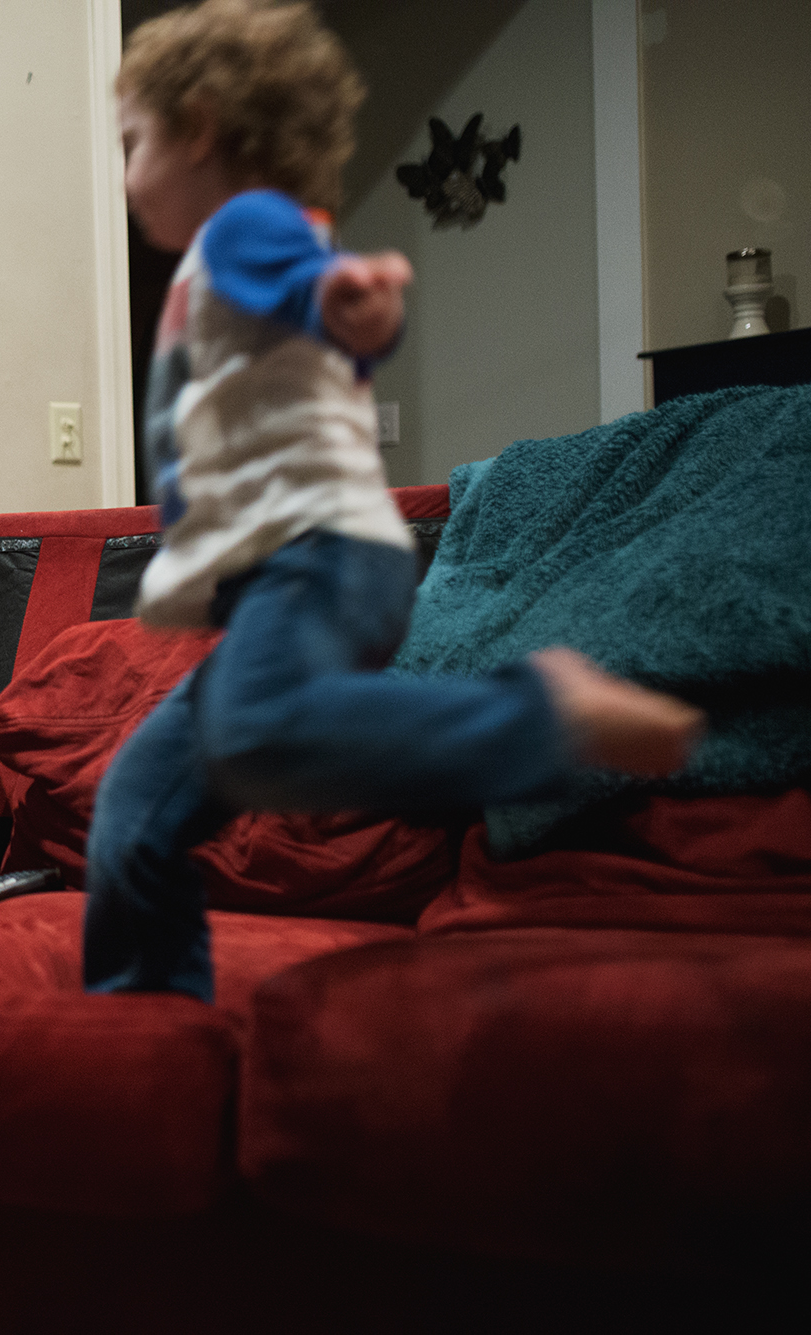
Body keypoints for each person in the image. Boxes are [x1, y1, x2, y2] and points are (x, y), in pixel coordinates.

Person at [83, 0, 704, 1001]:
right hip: (295, 569)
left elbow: (313, 290)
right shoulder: (249, 241)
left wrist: (346, 304)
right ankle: (141, 1014)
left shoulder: (243, 226)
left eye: (131, 143)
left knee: (255, 738)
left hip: (314, 557)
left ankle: (541, 720)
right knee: (138, 803)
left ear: (197, 126)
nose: (123, 176)